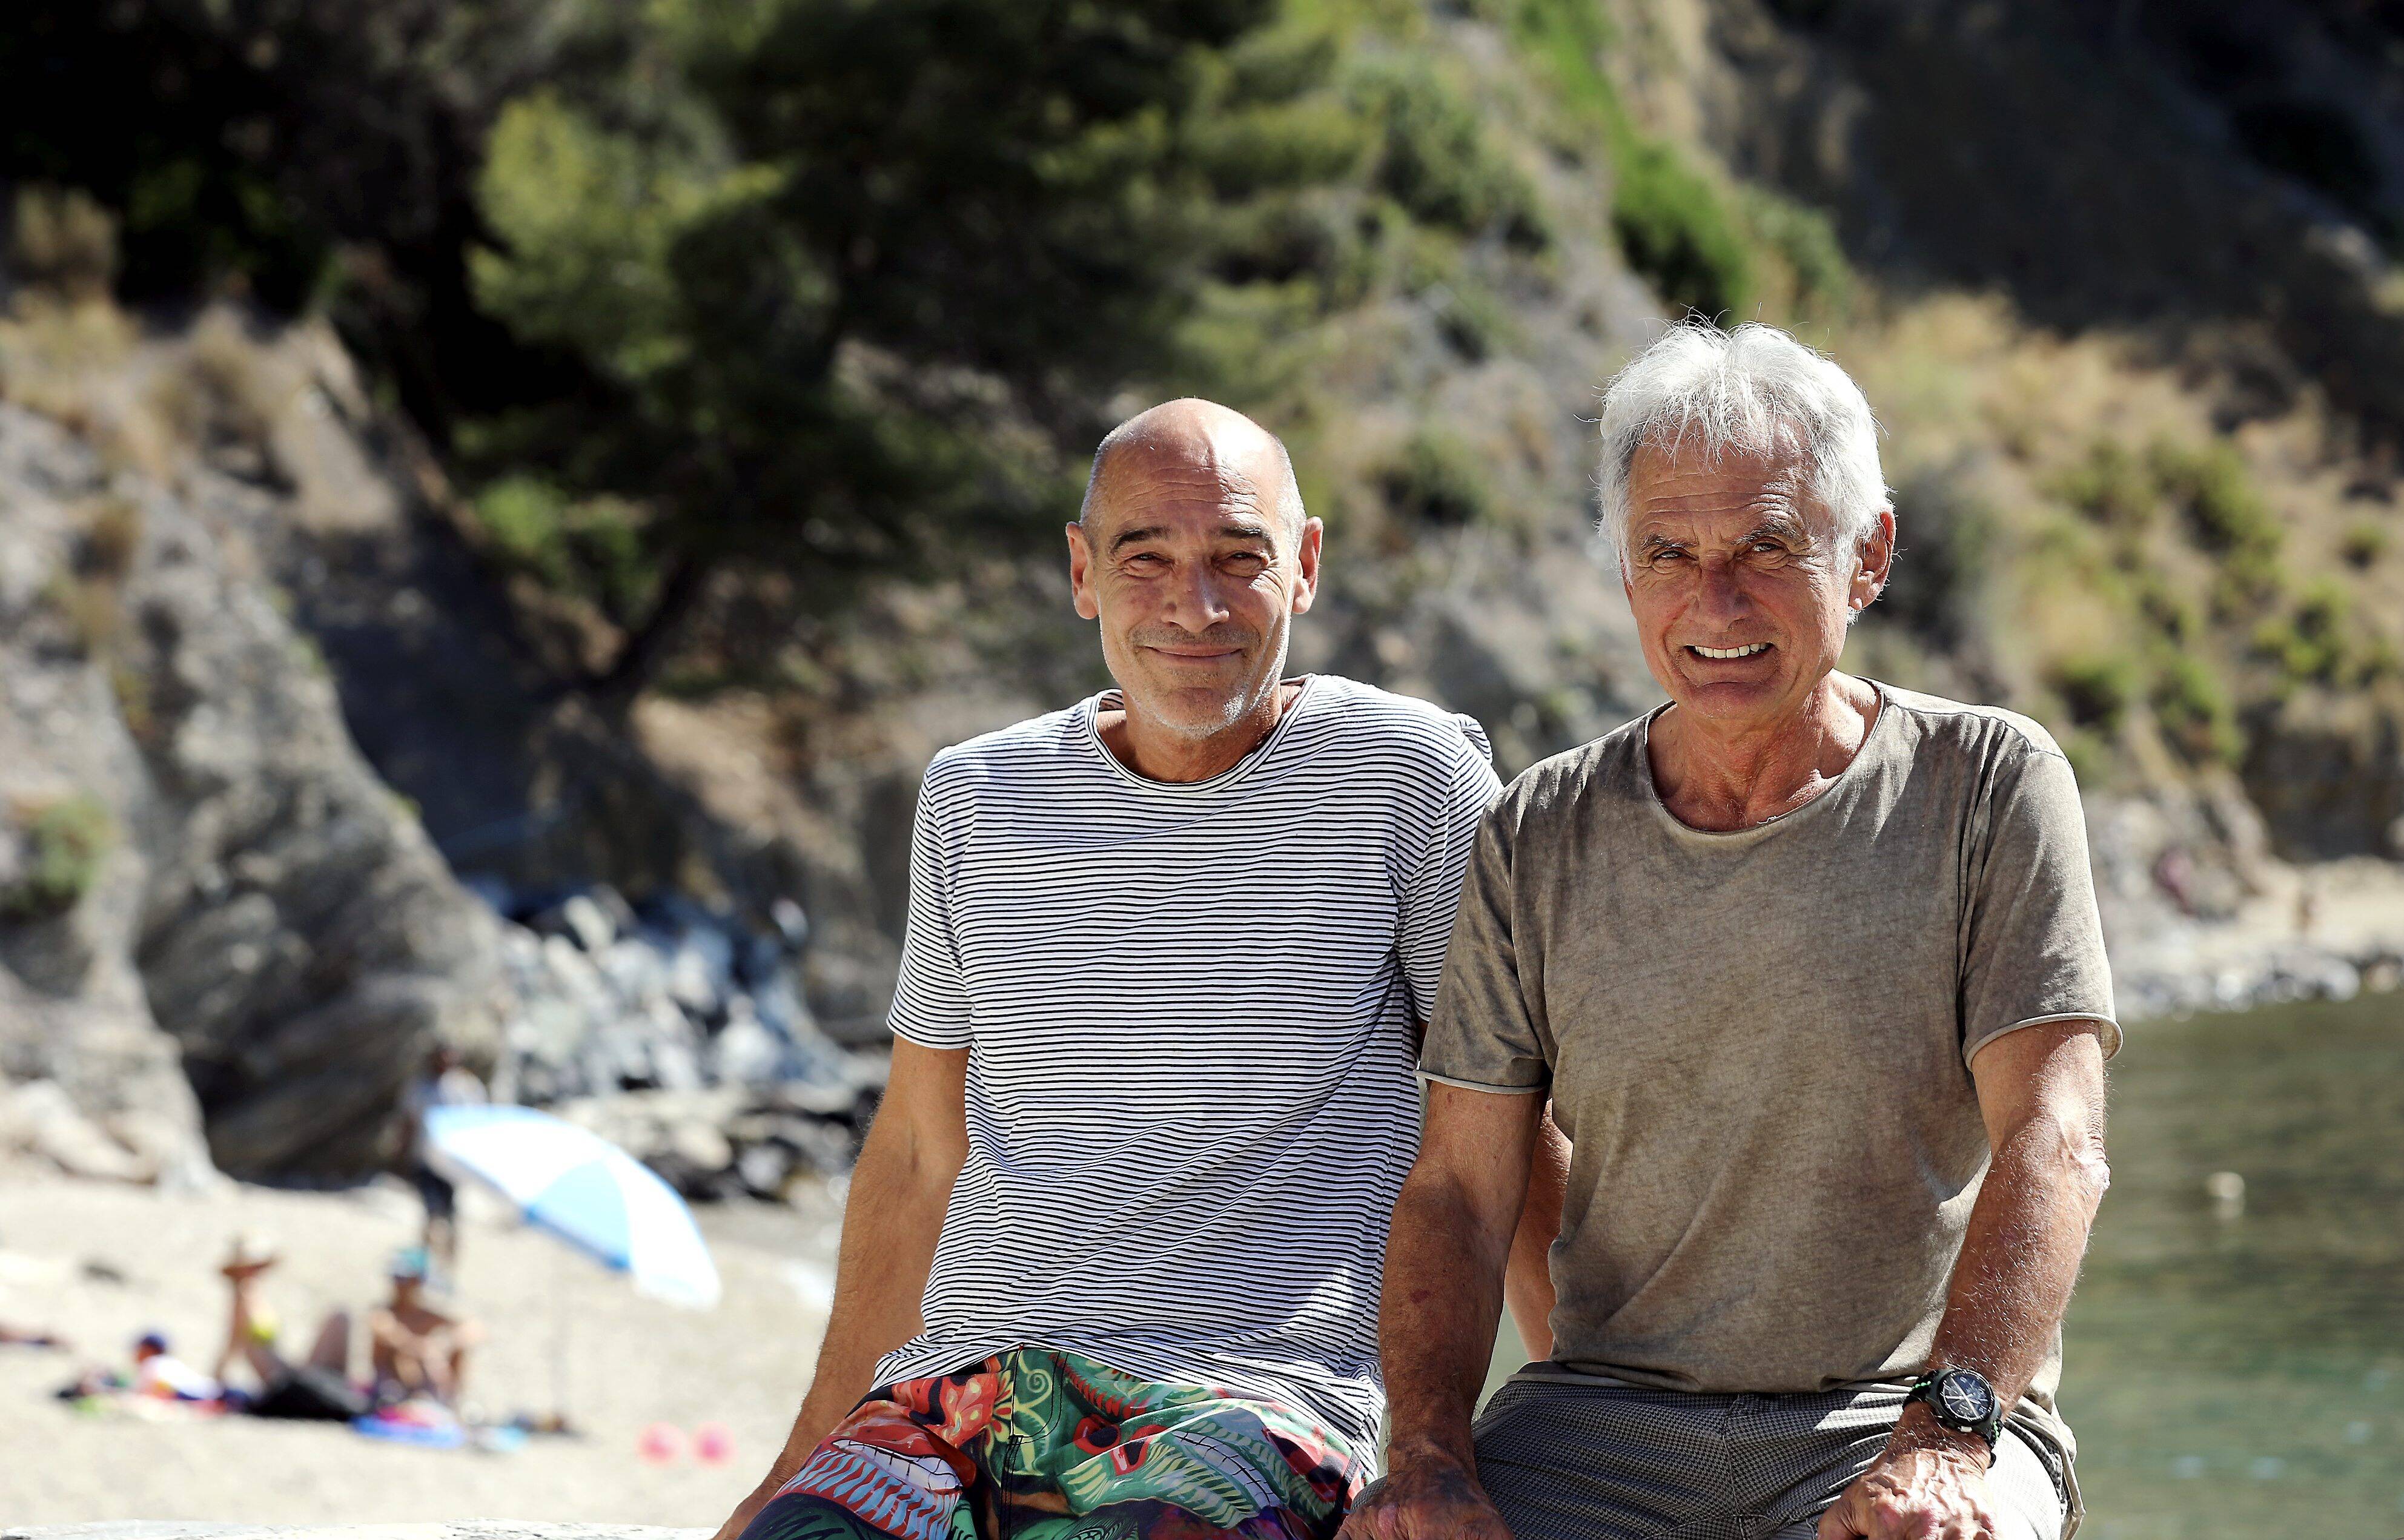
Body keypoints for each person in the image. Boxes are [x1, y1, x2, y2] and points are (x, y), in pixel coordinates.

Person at [712, 398, 1565, 1540]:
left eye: (1237, 558)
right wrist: (793, 1462)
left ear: (1304, 566)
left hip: (1250, 1401)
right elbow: (919, 1151)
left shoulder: (1406, 779)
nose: (1193, 604)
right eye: (1144, 556)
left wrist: (1580, 1429)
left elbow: (1497, 1129)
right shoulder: (975, 795)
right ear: (1081, 572)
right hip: (956, 1401)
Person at [1349, 322, 2116, 1540]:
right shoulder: (1538, 828)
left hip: (1902, 1410)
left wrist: (1952, 1433)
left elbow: (2056, 1138)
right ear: (1624, 572)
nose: (1715, 599)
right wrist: (1430, 1457)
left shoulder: (1987, 783)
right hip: (1593, 1427)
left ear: (1866, 556)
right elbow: (1456, 1187)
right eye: (1668, 551)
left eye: (1767, 543)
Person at [211, 1232, 369, 1421]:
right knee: (340, 1318)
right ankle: (350, 1392)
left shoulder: (255, 1295)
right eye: (249, 1267)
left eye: (257, 1266)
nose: (254, 1271)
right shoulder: (243, 1297)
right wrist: (217, 1379)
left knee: (340, 1317)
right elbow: (233, 1341)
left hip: (286, 1371)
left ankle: (350, 1389)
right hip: (278, 1380)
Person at [402, 1045, 485, 1275]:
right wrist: (402, 1154)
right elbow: (408, 1122)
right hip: (426, 1159)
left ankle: (448, 1270)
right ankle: (423, 1268)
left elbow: (477, 1124)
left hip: (453, 1164)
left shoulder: (467, 1087)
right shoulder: (420, 1087)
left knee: (451, 1218)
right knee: (430, 1215)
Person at [367, 1245, 482, 1408]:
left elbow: (473, 1329)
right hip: (391, 1389)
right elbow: (390, 1334)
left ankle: (446, 1401)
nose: (399, 1285)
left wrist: (444, 1344)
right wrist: (426, 1349)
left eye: (405, 1279)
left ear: (418, 1281)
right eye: (396, 1278)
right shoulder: (384, 1313)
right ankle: (424, 1399)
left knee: (452, 1349)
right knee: (406, 1356)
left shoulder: (426, 1316)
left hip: (429, 1381)